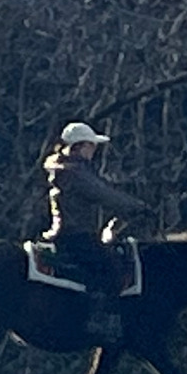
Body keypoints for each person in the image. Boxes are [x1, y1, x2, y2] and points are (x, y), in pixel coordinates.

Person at [42, 120, 151, 341]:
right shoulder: (76, 173)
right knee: (111, 268)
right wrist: (138, 208)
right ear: (80, 146)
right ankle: (100, 321)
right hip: (76, 236)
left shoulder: (66, 169)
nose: (94, 150)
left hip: (63, 234)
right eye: (91, 146)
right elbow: (104, 195)